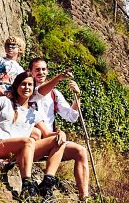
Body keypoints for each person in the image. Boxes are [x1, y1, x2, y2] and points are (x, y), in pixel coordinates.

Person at [0, 71, 73, 198]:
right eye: (23, 84)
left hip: (22, 150)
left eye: (30, 85)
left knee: (59, 140)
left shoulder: (34, 113)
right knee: (29, 141)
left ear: (33, 88)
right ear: (16, 86)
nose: (27, 88)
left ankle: (47, 183)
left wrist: (61, 133)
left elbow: (47, 134)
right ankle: (27, 184)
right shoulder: (3, 101)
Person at [29, 57, 93, 199]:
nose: (41, 72)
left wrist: (77, 96)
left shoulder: (54, 94)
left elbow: (71, 116)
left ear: (47, 71)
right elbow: (40, 92)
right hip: (35, 140)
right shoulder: (27, 89)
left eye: (44, 69)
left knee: (81, 151)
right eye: (37, 69)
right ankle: (44, 184)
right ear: (30, 72)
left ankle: (84, 197)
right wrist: (59, 78)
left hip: (52, 139)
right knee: (40, 134)